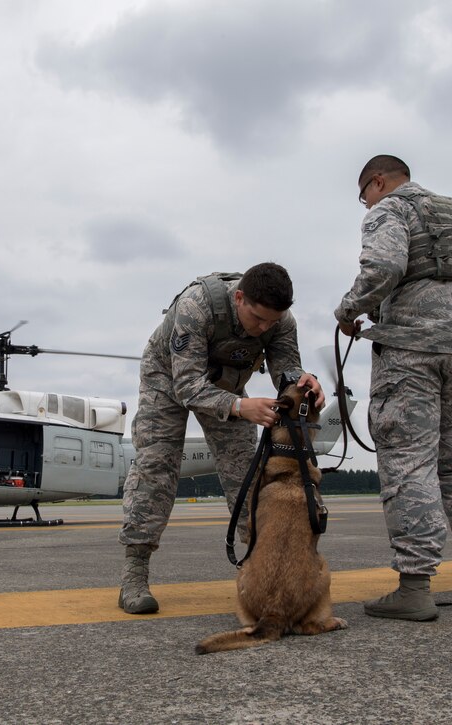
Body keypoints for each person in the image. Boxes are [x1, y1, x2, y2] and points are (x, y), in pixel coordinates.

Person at [334, 154, 452, 621]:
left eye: (363, 195)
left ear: (378, 181)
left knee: (409, 461)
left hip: (411, 351)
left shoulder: (389, 210)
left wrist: (349, 309)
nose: (364, 204)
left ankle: (414, 586)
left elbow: (383, 268)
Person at [118, 262, 325, 614]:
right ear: (239, 297)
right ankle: (134, 575)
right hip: (167, 379)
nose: (264, 328)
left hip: (226, 383)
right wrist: (239, 406)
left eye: (272, 322)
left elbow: (285, 367)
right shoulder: (195, 306)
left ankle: (263, 570)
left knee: (248, 474)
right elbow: (187, 385)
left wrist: (304, 384)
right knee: (157, 467)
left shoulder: (280, 321)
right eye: (258, 319)